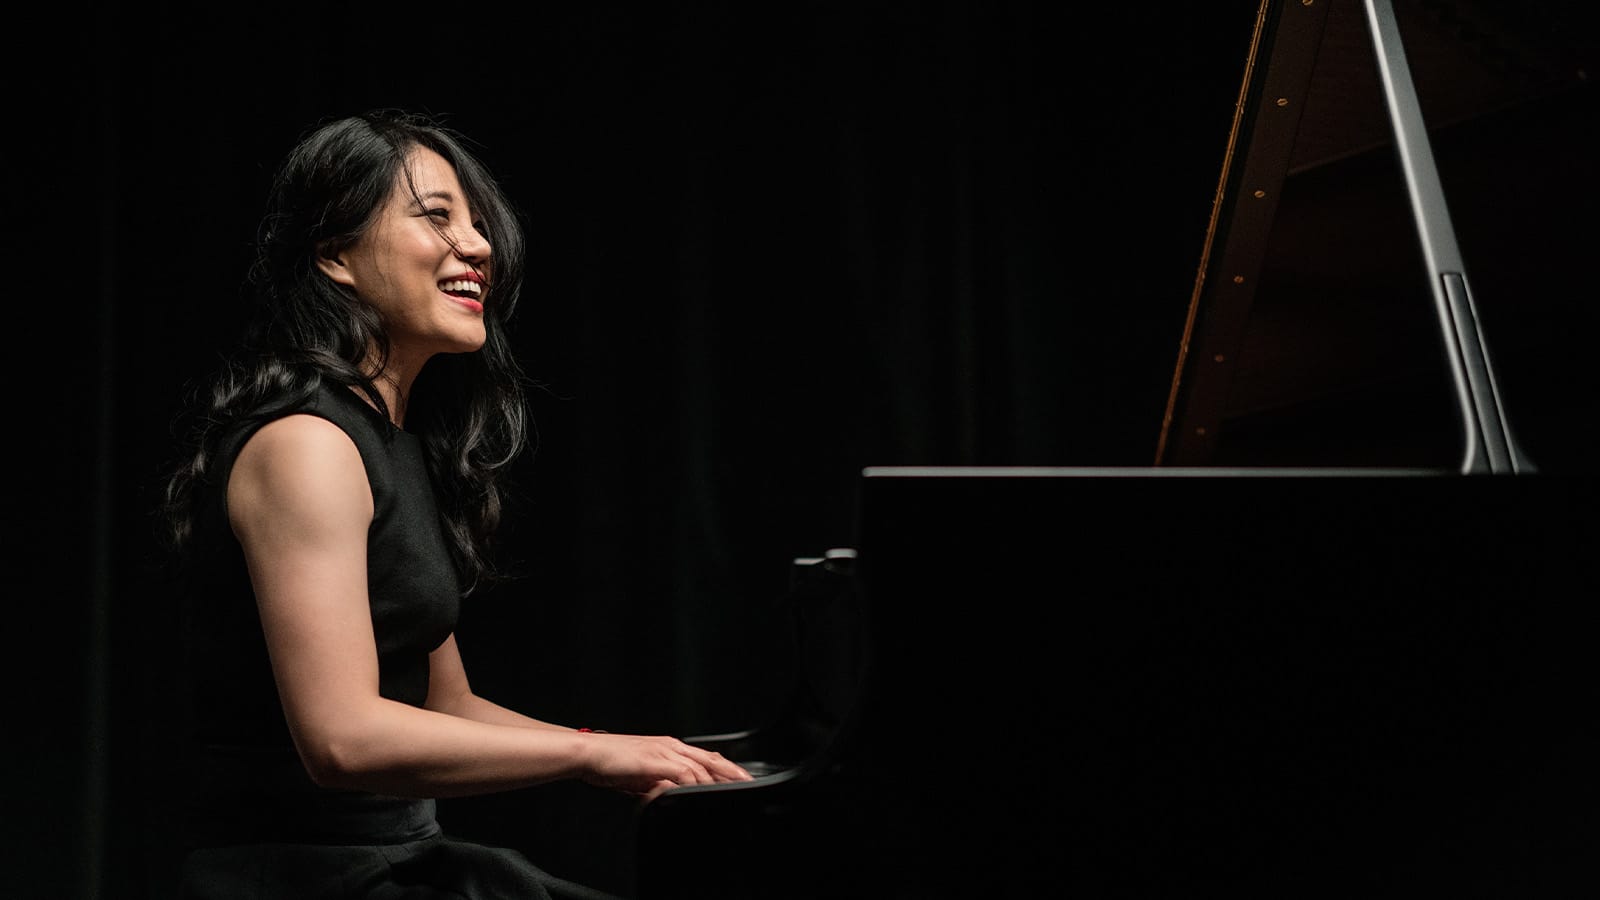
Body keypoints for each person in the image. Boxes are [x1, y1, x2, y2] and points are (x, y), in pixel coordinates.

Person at [157, 108, 752, 899]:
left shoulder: (396, 442)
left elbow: (449, 703)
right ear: (335, 254)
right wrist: (591, 757)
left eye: (478, 224)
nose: (478, 246)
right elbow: (342, 740)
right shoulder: (307, 446)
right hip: (304, 874)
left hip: (400, 860)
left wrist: (619, 747)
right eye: (436, 218)